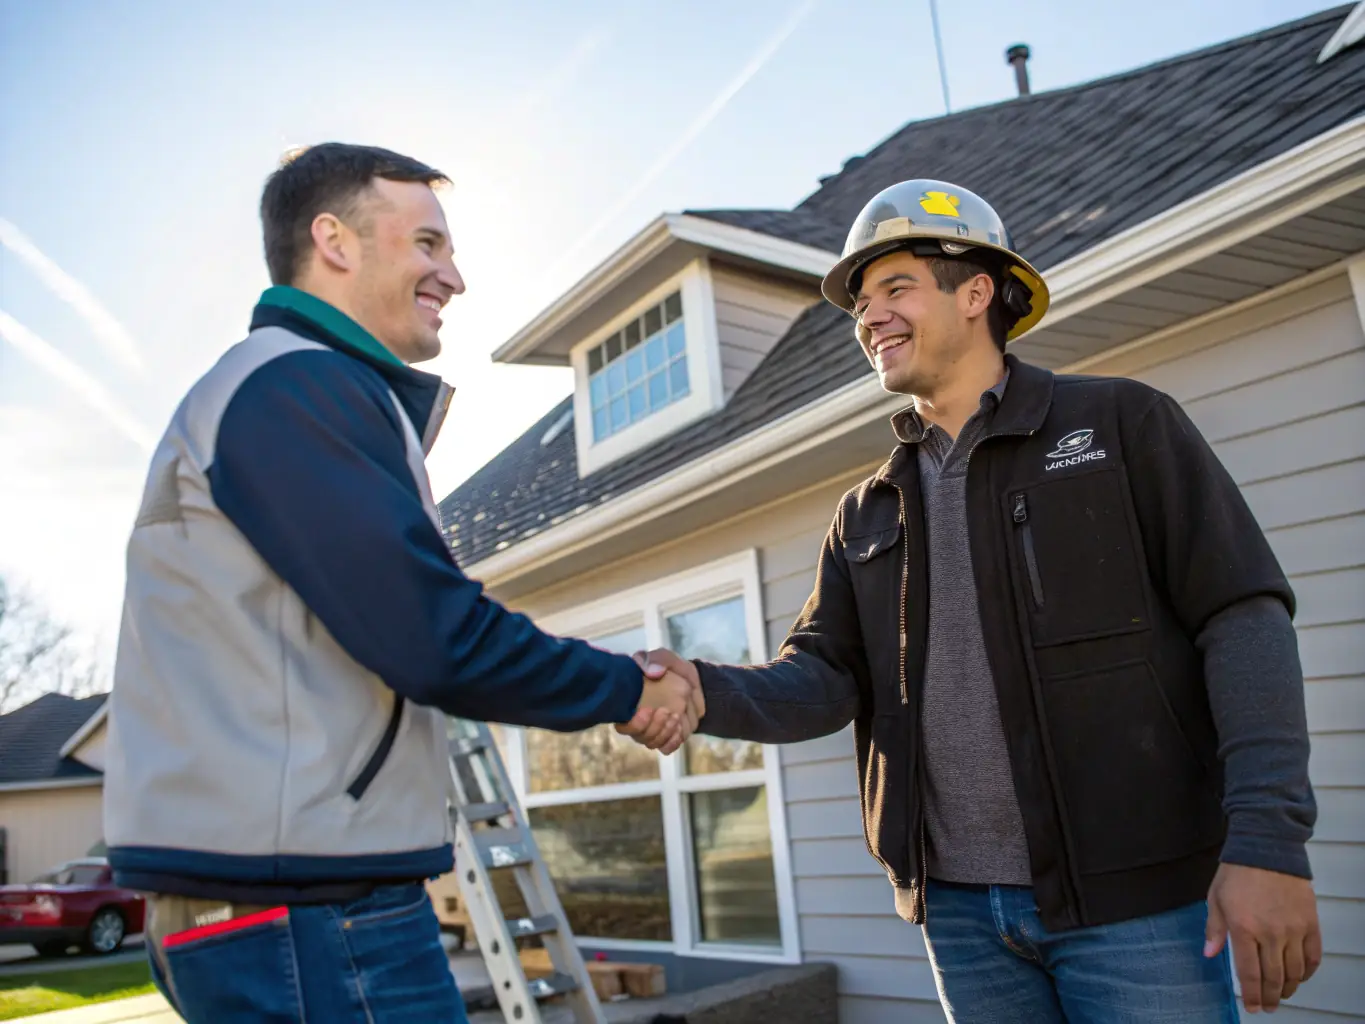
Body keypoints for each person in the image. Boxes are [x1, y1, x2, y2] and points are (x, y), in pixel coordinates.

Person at [621, 179, 1321, 1022]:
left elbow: (1240, 618)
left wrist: (1267, 842)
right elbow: (820, 680)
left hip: (1136, 905)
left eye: (894, 288)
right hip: (957, 914)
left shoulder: (1120, 427)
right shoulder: (867, 511)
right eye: (860, 304)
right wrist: (692, 689)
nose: (867, 317)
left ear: (976, 291)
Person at [102, 142, 702, 1024]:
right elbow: (433, 638)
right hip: (308, 914)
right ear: (334, 241)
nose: (451, 275)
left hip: (290, 901)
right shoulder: (293, 386)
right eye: (427, 244)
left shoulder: (289, 391)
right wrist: (626, 686)